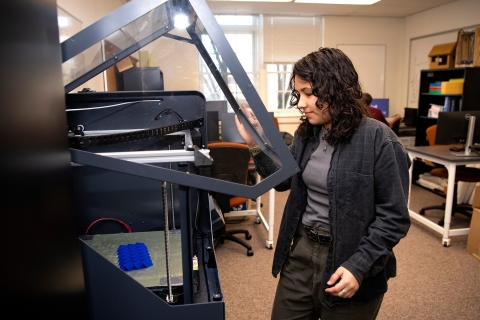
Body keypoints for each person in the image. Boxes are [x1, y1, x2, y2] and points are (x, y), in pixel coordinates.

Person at [235, 47, 411, 320]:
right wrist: (254, 141)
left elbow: (394, 217)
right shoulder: (308, 134)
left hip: (351, 256)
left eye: (309, 93)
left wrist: (359, 265)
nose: (301, 103)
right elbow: (284, 182)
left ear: (336, 89)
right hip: (303, 251)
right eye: (299, 94)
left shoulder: (380, 140)